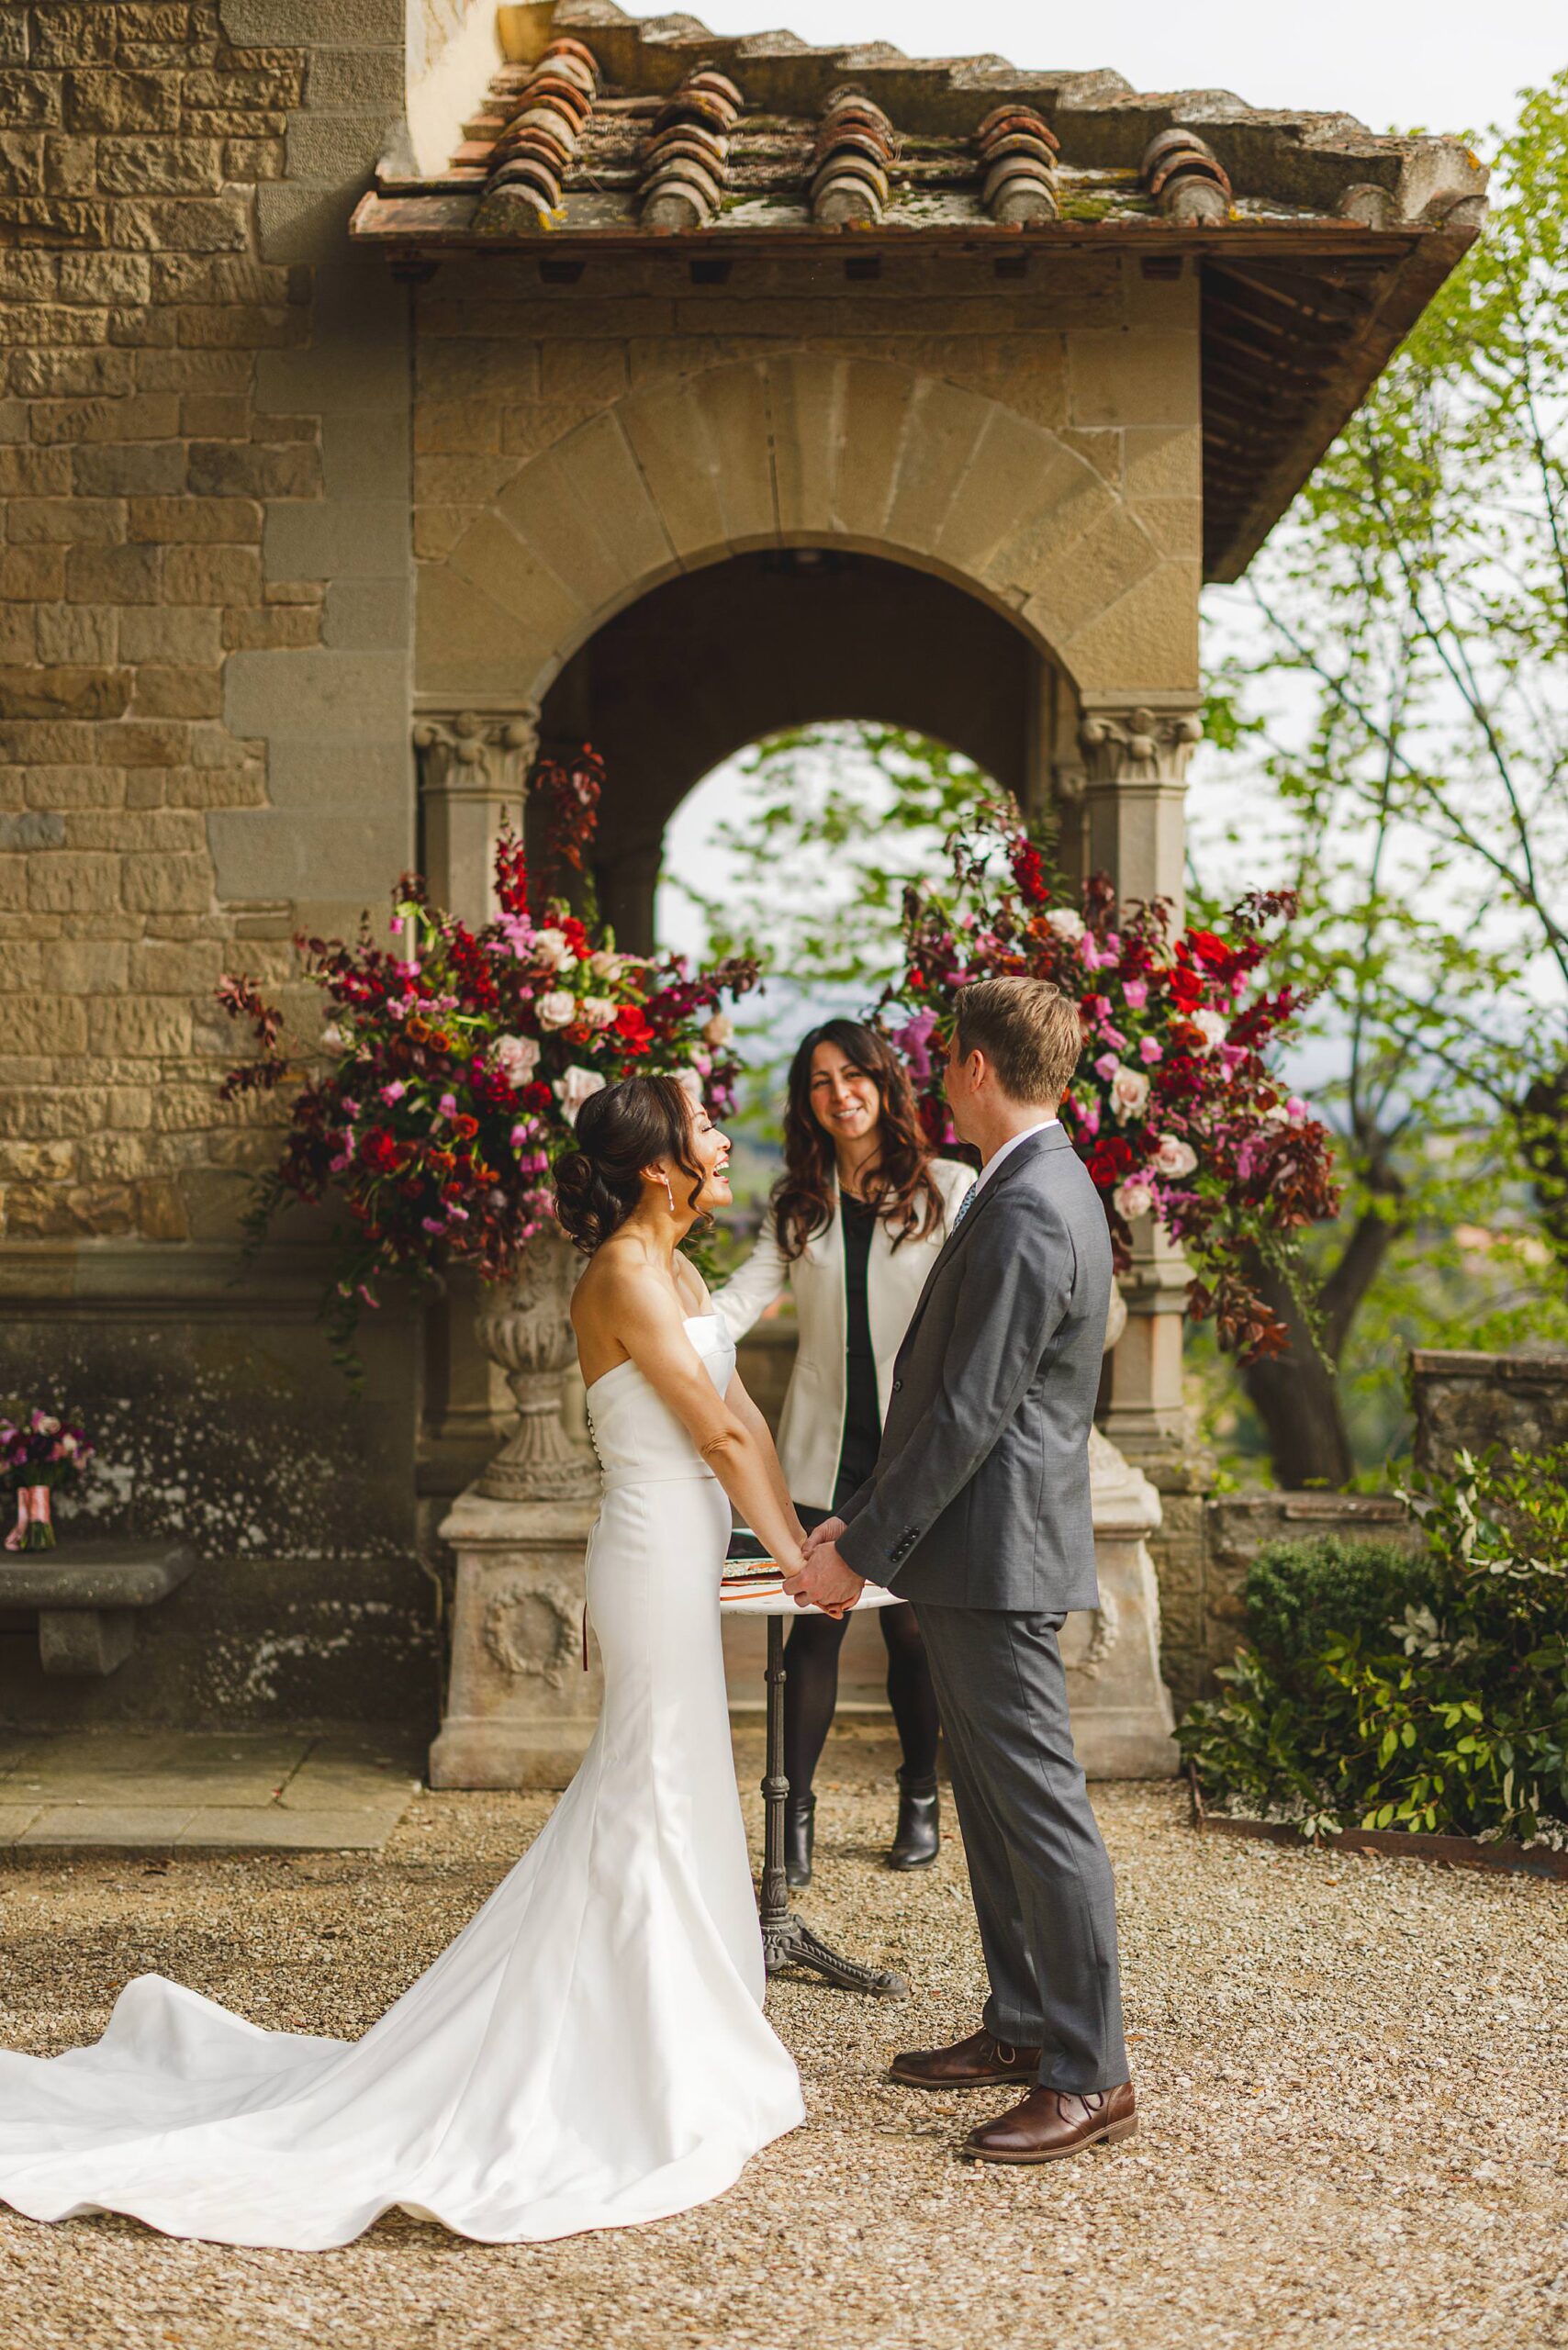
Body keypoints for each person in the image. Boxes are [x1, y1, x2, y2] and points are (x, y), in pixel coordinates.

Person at [0, 1075, 807, 2247]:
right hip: (645, 1549)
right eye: (704, 1126)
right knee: (649, 1782)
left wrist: (798, 1546)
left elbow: (749, 1419)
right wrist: (799, 1561)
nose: (724, 1138)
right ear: (654, 1162)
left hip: (688, 1545)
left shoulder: (680, 1270)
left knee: (676, 1780)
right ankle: (626, 2055)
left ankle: (676, 2030)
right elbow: (716, 1433)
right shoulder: (623, 1274)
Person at [786, 976, 1137, 2166]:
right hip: (973, 1550)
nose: (936, 1078)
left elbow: (972, 1412)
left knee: (1041, 1815)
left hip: (998, 1556)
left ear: (978, 1068)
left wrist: (860, 1551)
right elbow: (951, 1397)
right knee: (991, 1804)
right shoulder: (1025, 1182)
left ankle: (1091, 2074)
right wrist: (864, 1521)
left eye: (944, 1060)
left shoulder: (1032, 1203)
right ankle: (1024, 2023)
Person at [711, 1021, 972, 1885]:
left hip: (912, 1457)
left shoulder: (949, 1189)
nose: (840, 1093)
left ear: (885, 1084)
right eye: (820, 1081)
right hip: (823, 1453)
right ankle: (793, 1821)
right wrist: (665, 1327)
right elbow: (742, 1300)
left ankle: (919, 1797)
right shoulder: (798, 1203)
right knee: (810, 1637)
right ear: (808, 1103)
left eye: (854, 1074)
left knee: (911, 1634)